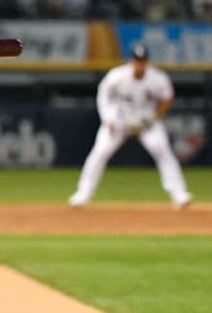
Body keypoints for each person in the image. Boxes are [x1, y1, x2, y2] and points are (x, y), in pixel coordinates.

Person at [68, 44, 193, 209]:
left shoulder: (157, 78)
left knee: (161, 149)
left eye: (142, 61)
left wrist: (155, 118)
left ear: (146, 61)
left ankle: (179, 194)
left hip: (145, 121)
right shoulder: (117, 76)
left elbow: (167, 97)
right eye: (136, 60)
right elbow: (103, 94)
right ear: (131, 60)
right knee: (99, 153)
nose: (139, 64)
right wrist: (107, 119)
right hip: (119, 120)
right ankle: (83, 194)